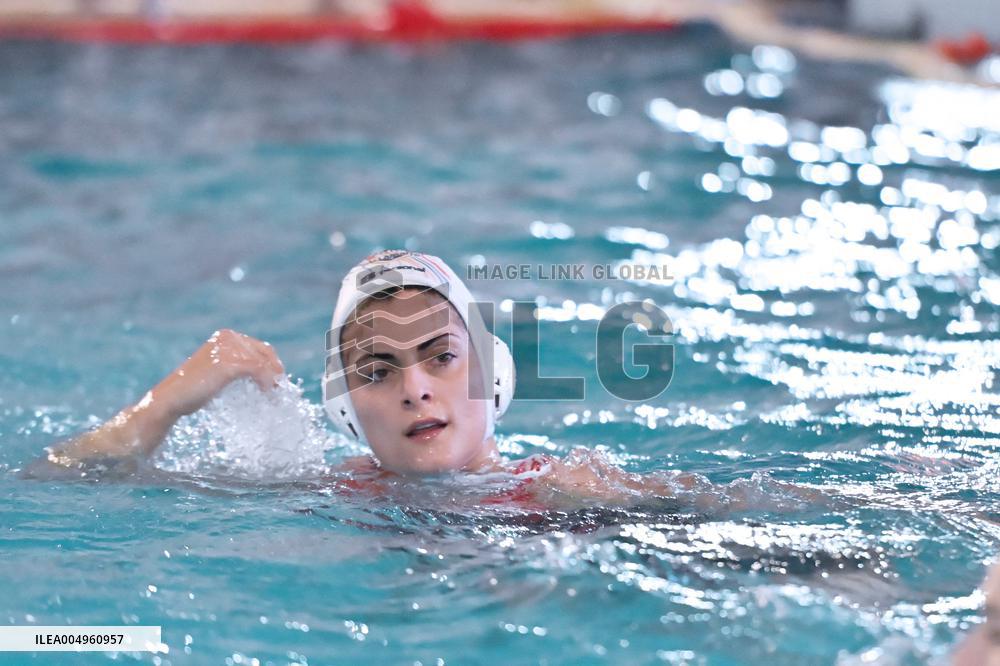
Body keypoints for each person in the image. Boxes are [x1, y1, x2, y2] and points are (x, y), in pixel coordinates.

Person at [26, 250, 819, 511]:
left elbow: (756, 510)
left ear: (493, 378)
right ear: (344, 411)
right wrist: (165, 402)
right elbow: (50, 481)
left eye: (441, 357)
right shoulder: (325, 492)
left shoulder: (559, 490)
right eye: (379, 371)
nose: (415, 389)